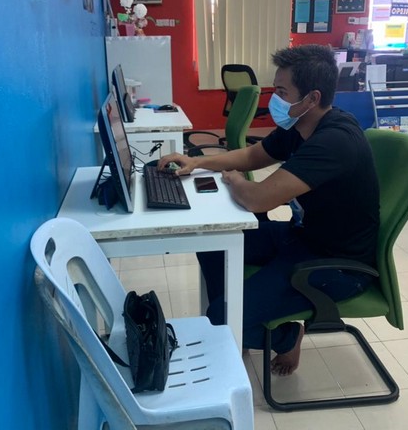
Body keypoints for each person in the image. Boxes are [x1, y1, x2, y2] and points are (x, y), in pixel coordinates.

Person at [158, 44, 380, 376]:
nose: (274, 99)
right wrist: (197, 162)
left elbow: (258, 199)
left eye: (281, 92)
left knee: (220, 317)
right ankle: (237, 322)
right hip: (302, 237)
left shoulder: (334, 140)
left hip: (336, 265)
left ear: (312, 98)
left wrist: (233, 179)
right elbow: (252, 155)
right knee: (212, 242)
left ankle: (285, 336)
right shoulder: (300, 126)